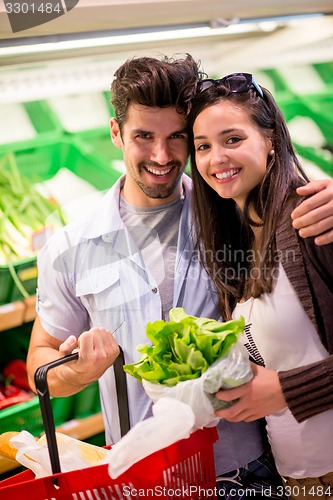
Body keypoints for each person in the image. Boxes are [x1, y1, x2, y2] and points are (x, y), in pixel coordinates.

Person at [26, 56, 333, 499]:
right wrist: (75, 375)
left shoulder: (236, 209)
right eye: (143, 137)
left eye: (177, 138)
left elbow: (285, 189)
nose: (162, 156)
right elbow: (41, 355)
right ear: (116, 133)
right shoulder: (71, 248)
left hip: (251, 473)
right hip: (145, 483)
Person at [186, 71, 333, 499]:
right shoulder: (240, 238)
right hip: (299, 479)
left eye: (232, 139)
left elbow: (283, 383)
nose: (216, 159)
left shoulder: (312, 219)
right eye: (203, 147)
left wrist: (285, 389)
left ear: (270, 139)